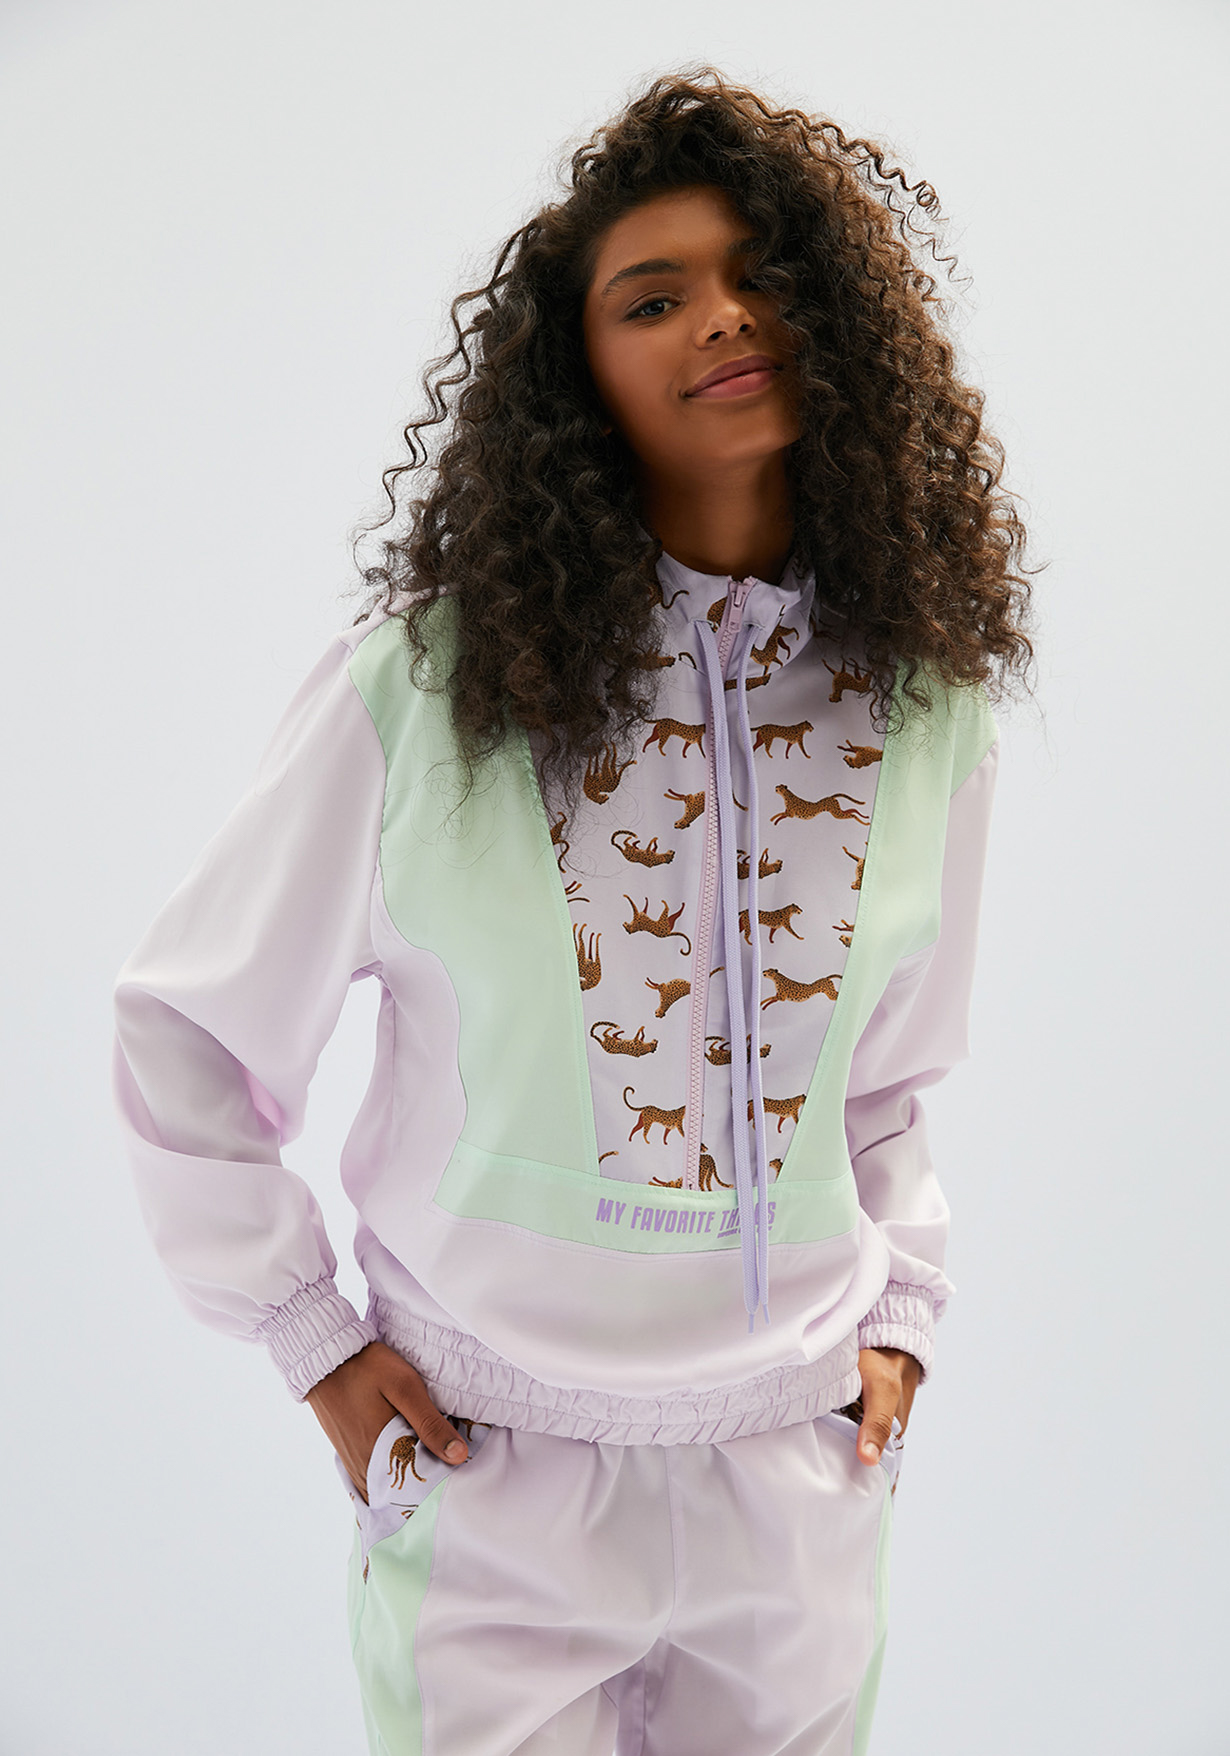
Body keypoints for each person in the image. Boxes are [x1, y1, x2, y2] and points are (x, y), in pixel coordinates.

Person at [112, 67, 1035, 1756]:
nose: (723, 316)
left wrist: (900, 1324)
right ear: (574, 375)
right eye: (652, 298)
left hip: (798, 1478)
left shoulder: (921, 706)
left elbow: (892, 1081)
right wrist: (310, 1338)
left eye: (759, 275)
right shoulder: (428, 690)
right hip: (491, 1473)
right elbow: (188, 1033)